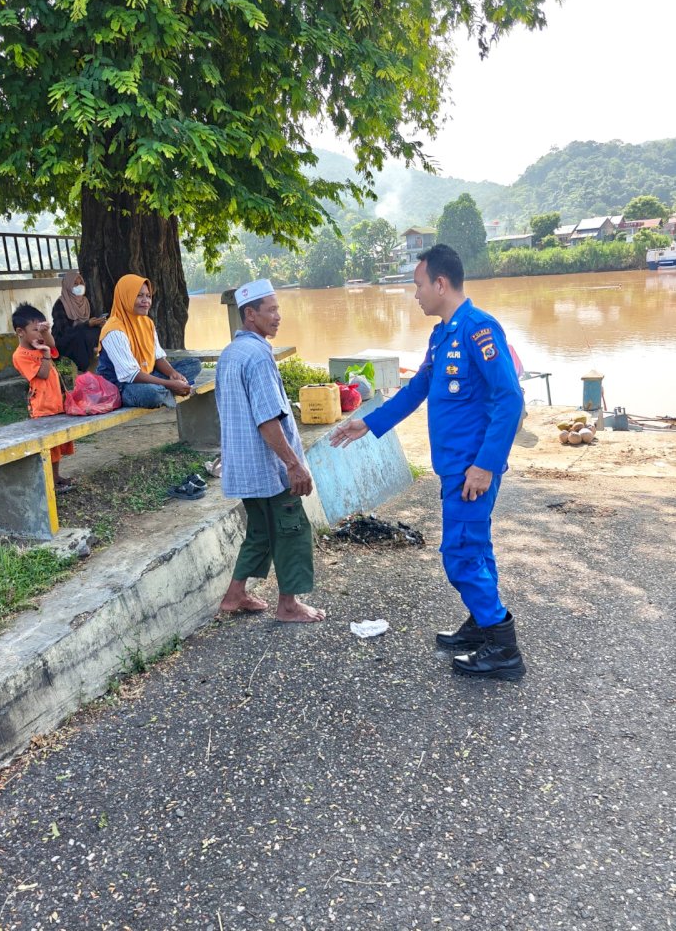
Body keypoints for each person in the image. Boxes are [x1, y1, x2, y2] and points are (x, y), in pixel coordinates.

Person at [330, 244, 526, 680]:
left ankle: (503, 647)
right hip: (454, 467)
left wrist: (486, 464)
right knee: (476, 547)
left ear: (440, 283)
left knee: (459, 553)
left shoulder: (479, 329)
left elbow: (510, 398)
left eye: (419, 285)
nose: (415, 294)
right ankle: (481, 623)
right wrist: (368, 423)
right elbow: (416, 390)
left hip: (471, 470)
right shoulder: (442, 335)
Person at [215, 278, 325, 624]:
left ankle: (234, 595)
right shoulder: (260, 357)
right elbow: (267, 420)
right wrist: (293, 464)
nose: (278, 316)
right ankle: (289, 605)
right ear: (251, 315)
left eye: (278, 309)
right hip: (269, 467)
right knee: (292, 529)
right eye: (271, 310)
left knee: (260, 531)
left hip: (242, 467)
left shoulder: (230, 353)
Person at [96, 274, 200, 407]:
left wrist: (173, 374)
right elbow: (131, 375)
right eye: (139, 296)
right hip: (122, 386)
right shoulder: (114, 330)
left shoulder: (147, 322)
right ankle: (167, 391)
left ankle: (166, 389)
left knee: (193, 365)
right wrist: (170, 384)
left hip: (147, 375)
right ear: (125, 297)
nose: (146, 300)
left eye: (148, 296)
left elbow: (158, 357)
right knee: (152, 394)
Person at [11, 303, 75, 493]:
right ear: (20, 332)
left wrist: (46, 335)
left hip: (56, 402)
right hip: (42, 407)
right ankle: (49, 482)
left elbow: (53, 345)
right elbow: (43, 374)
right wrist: (45, 354)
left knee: (58, 445)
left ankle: (55, 477)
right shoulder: (21, 355)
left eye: (42, 330)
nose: (40, 335)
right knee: (48, 447)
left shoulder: (40, 345)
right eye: (35, 330)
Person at [51, 271, 106, 373]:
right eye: (75, 284)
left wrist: (98, 323)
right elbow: (65, 330)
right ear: (68, 285)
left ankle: (97, 353)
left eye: (80, 283)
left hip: (83, 336)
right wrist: (86, 324)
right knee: (80, 335)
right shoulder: (60, 304)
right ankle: (84, 366)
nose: (79, 286)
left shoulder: (85, 302)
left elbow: (89, 322)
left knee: (101, 331)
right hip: (65, 340)